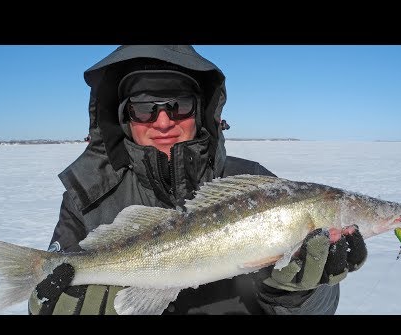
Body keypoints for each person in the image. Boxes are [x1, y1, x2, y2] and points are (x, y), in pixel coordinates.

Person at [28, 45, 368, 315]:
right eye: (144, 108)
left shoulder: (256, 183)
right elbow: (49, 291)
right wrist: (46, 307)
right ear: (123, 119)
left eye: (179, 105)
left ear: (202, 111)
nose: (162, 122)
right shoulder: (87, 194)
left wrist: (302, 292)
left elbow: (316, 312)